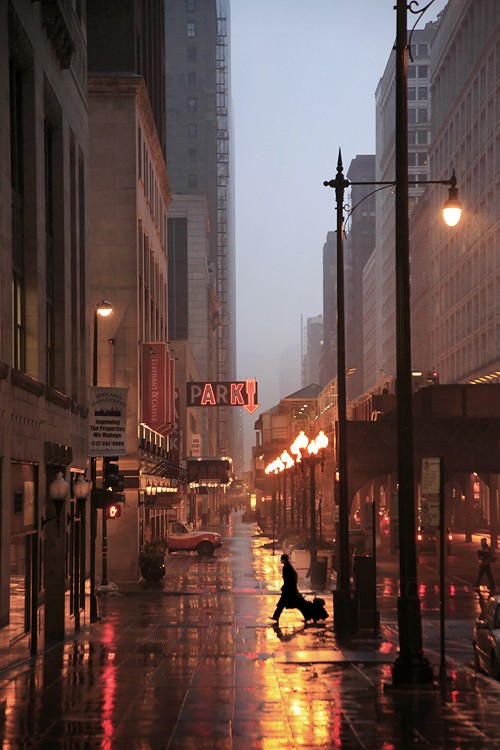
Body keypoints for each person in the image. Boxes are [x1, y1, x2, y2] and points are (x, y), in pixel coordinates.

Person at [271, 554, 304, 623]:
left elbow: (288, 579)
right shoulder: (288, 567)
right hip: (289, 589)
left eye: (281, 559)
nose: (281, 560)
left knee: (297, 604)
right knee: (283, 604)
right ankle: (275, 617)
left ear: (284, 560)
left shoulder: (286, 567)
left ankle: (276, 617)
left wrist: (286, 587)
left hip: (289, 590)